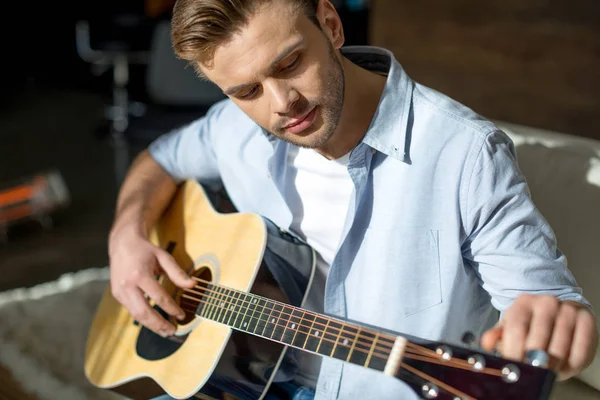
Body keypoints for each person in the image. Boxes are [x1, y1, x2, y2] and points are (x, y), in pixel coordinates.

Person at [107, 0, 599, 399]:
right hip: (255, 379)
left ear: (330, 23)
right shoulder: (233, 128)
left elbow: (542, 301)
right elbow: (160, 159)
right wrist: (126, 236)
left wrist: (554, 324)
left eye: (290, 63)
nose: (282, 103)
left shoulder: (464, 154)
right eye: (247, 90)